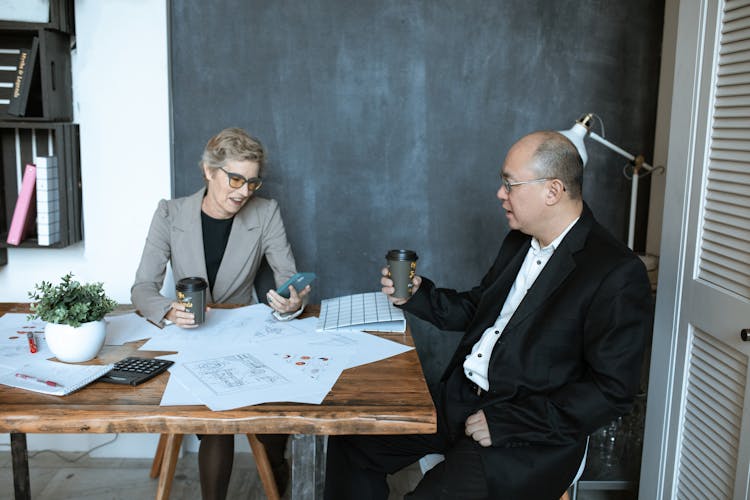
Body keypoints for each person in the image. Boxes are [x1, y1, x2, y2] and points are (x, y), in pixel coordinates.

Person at [324, 131, 653, 499]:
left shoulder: (615, 272)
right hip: (461, 399)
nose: (500, 194)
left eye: (510, 184)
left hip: (525, 435)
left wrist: (508, 423)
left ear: (553, 191)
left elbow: (612, 393)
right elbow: (479, 310)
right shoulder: (519, 239)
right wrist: (418, 295)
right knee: (351, 440)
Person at [131, 127, 310, 500]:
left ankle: (280, 476)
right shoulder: (170, 213)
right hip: (189, 336)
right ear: (208, 171)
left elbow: (287, 277)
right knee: (218, 422)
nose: (244, 191)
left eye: (253, 182)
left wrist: (292, 300)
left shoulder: (266, 212)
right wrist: (168, 311)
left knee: (276, 422)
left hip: (244, 333)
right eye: (235, 179)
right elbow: (142, 289)